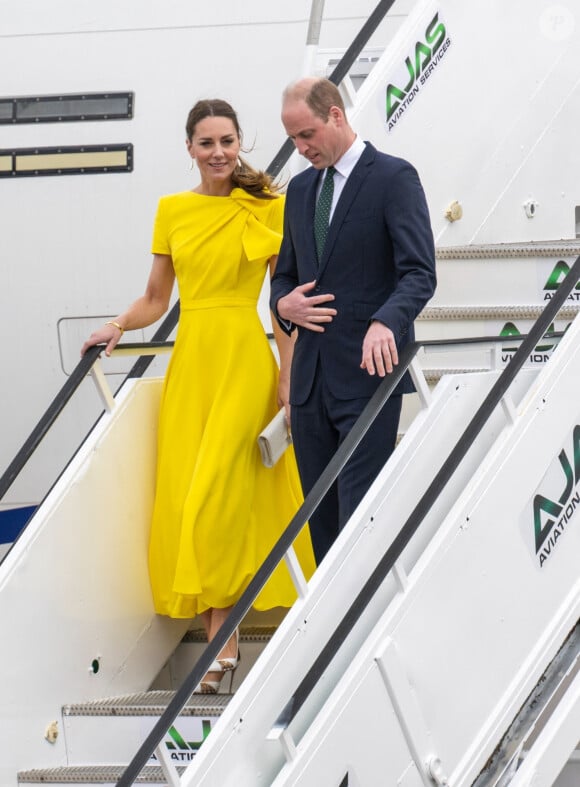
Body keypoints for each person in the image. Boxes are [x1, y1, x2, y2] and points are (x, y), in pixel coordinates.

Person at [81, 98, 315, 693]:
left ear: (241, 145)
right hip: (193, 367)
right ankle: (224, 641)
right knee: (201, 502)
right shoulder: (171, 211)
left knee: (218, 497)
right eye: (206, 143)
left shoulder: (267, 207)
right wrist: (116, 324)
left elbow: (282, 303)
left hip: (242, 360)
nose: (218, 153)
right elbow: (157, 299)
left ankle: (222, 645)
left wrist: (287, 376)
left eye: (228, 142)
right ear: (189, 147)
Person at [270, 77, 436, 564]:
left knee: (359, 519)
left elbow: (419, 272)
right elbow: (283, 278)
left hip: (368, 379)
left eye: (307, 135)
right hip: (309, 387)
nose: (300, 149)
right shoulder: (300, 191)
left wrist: (387, 321)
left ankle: (360, 632)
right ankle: (333, 637)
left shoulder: (392, 177)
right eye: (293, 140)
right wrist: (283, 306)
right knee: (320, 525)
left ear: (335, 116)